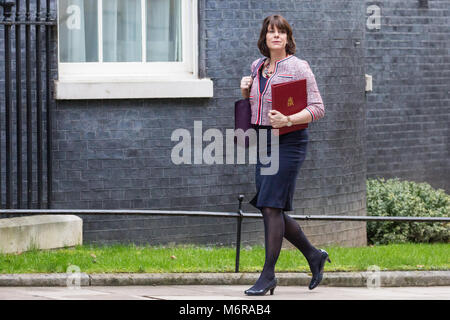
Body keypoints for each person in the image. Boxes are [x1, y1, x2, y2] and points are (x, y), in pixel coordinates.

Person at [240, 14, 331, 296]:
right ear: (264, 37)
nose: (276, 36)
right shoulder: (257, 67)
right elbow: (254, 110)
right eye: (271, 31)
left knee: (270, 206)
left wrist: (289, 120)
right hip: (264, 140)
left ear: (288, 38)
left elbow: (318, 108)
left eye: (281, 32)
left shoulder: (299, 67)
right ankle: (314, 256)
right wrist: (245, 93)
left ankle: (268, 275)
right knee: (271, 206)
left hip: (290, 142)